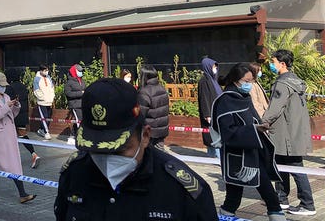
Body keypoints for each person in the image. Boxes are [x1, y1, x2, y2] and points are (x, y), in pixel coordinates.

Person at [55, 78, 217, 221]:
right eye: (96, 150)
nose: (106, 160)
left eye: (118, 150)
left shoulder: (180, 190)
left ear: (145, 136)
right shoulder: (74, 175)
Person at [212, 63, 285, 221]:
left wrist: (261, 126)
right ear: (235, 80)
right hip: (237, 157)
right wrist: (254, 129)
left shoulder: (244, 97)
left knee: (262, 195)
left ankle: (276, 215)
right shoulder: (225, 101)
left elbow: (252, 119)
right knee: (236, 197)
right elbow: (227, 132)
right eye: (247, 81)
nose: (250, 85)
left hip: (252, 151)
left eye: (252, 80)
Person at [262, 50, 316, 216]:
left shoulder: (282, 84)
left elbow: (275, 108)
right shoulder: (296, 81)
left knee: (295, 168)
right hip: (292, 132)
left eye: (273, 61)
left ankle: (307, 204)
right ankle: (282, 199)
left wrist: (263, 122)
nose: (271, 64)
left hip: (284, 135)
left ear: (282, 64)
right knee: (281, 166)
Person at [0, 71, 36, 203]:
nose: (4, 87)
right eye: (1, 85)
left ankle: (22, 193)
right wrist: (6, 107)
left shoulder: (6, 96)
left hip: (9, 135)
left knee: (14, 163)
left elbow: (11, 115)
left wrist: (16, 106)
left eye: (4, 85)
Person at [5, 68, 40, 169]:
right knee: (23, 136)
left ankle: (9, 160)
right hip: (23, 115)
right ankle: (34, 154)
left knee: (8, 138)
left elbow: (8, 103)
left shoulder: (9, 88)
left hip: (12, 116)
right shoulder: (23, 86)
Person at [137, 65, 169, 150]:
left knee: (148, 156)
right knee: (160, 153)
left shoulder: (144, 92)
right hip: (161, 129)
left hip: (149, 131)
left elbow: (140, 114)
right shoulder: (162, 88)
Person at [198, 57, 221, 158]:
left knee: (215, 136)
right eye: (213, 67)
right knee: (213, 137)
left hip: (217, 112)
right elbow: (204, 98)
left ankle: (214, 157)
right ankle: (214, 158)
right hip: (210, 114)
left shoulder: (214, 80)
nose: (215, 69)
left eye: (216, 67)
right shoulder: (204, 81)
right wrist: (207, 114)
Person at [64, 64, 85, 146]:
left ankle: (72, 136)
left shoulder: (81, 81)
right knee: (79, 120)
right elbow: (68, 94)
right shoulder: (69, 83)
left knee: (79, 121)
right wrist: (80, 93)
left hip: (82, 104)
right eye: (79, 71)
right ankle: (80, 138)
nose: (80, 73)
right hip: (75, 105)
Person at [33, 64, 54, 140]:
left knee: (47, 117)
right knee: (44, 117)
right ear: (41, 71)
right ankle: (46, 132)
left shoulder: (48, 78)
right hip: (42, 102)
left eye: (47, 70)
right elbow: (36, 90)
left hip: (49, 101)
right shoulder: (37, 79)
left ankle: (41, 130)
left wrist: (51, 98)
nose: (46, 72)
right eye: (45, 70)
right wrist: (43, 98)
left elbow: (52, 88)